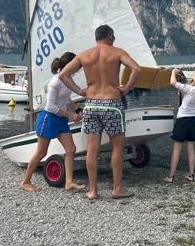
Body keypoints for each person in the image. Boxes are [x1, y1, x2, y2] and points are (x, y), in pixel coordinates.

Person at [59, 24, 140, 200]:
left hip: (91, 104)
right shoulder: (117, 52)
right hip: (112, 104)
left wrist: (80, 91)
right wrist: (125, 89)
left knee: (91, 149)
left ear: (96, 38)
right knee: (117, 147)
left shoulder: (84, 55)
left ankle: (93, 190)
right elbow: (136, 69)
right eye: (113, 37)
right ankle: (117, 188)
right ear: (110, 36)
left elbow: (63, 75)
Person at [20, 52, 86, 192]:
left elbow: (67, 99)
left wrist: (78, 111)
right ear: (69, 66)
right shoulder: (55, 82)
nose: (78, 67)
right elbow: (50, 106)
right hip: (49, 119)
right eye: (76, 64)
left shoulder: (68, 80)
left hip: (61, 120)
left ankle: (69, 182)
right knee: (41, 153)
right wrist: (70, 115)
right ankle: (25, 182)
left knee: (71, 149)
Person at [164, 68, 195, 183]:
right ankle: (191, 175)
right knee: (191, 149)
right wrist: (183, 93)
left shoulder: (191, 89)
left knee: (176, 149)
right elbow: (189, 100)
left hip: (183, 120)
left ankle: (171, 176)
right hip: (194, 121)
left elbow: (173, 83)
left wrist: (173, 72)